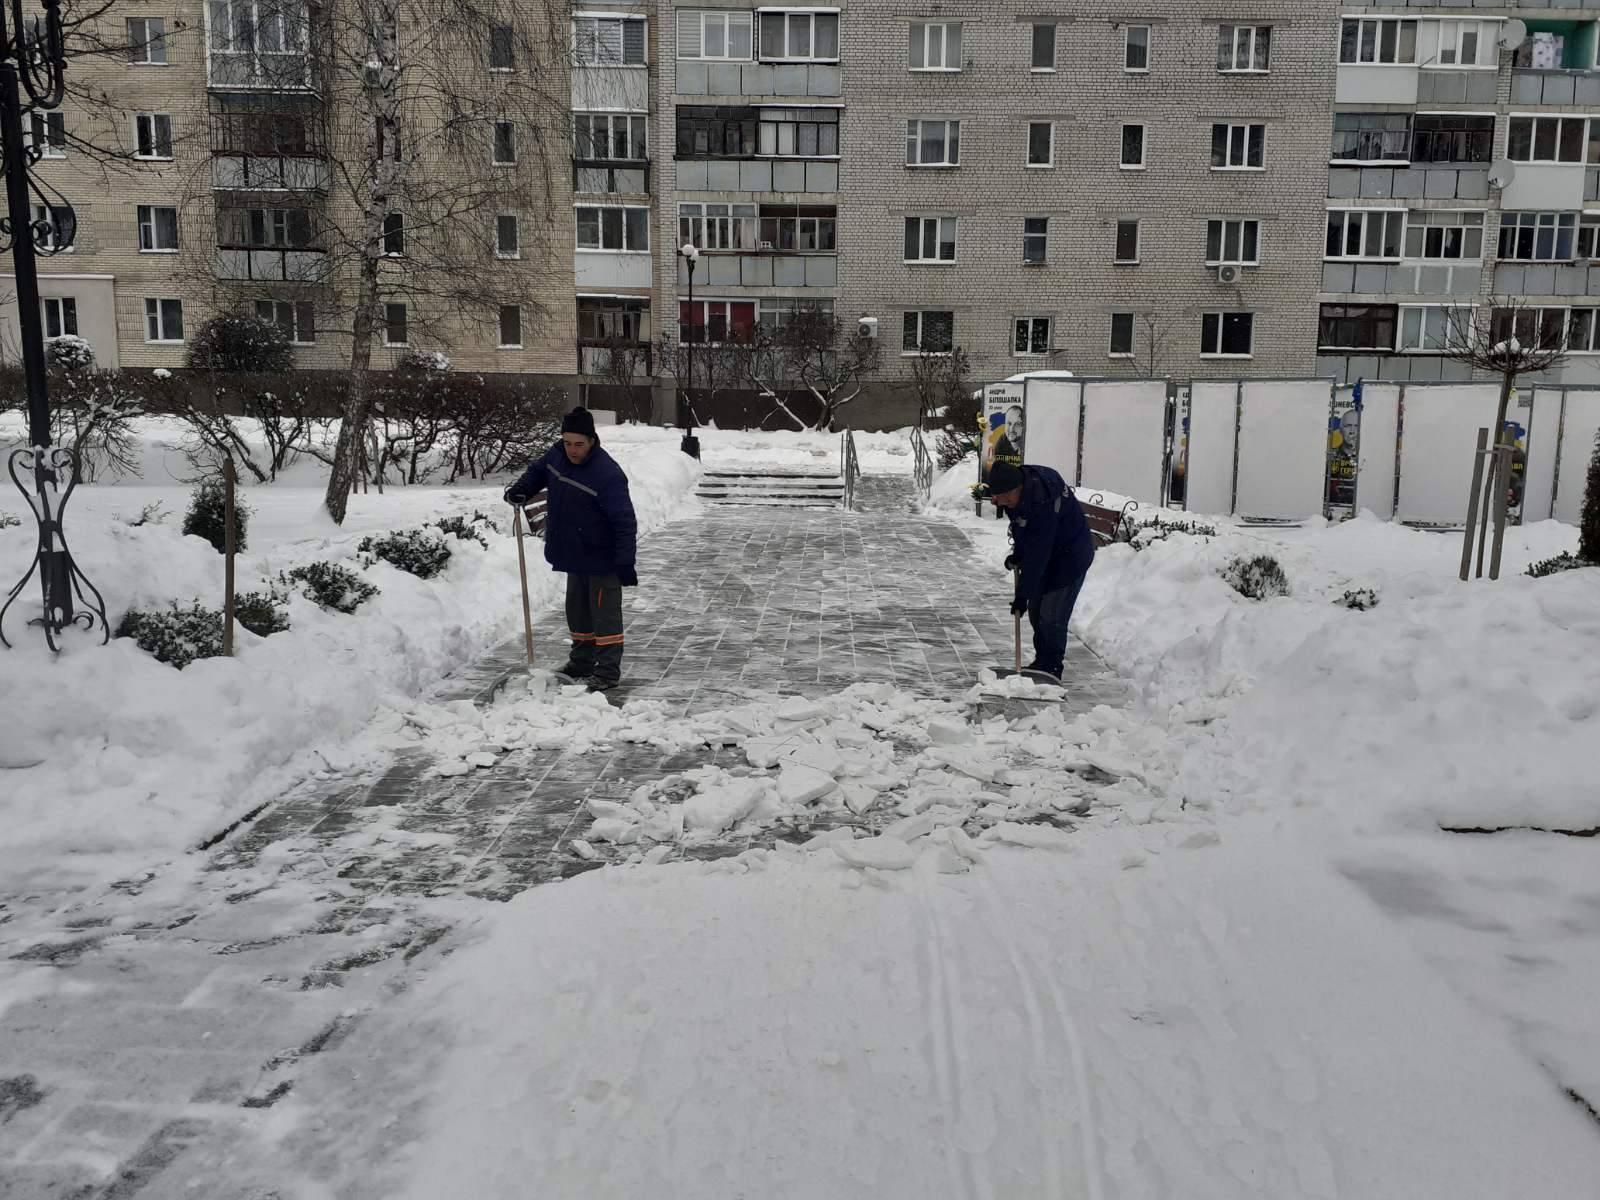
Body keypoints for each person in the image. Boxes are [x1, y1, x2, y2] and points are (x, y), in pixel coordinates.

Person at [504, 407, 638, 692]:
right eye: (567, 442)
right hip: (574, 553)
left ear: (592, 440)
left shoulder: (607, 474)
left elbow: (624, 521)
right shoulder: (556, 456)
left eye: (579, 444)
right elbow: (538, 471)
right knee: (577, 613)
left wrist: (625, 563)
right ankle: (581, 663)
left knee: (605, 618)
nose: (572, 450)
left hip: (602, 557)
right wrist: (521, 490)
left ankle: (607, 672)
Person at [985, 460, 1094, 684]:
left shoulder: (1044, 499)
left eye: (1004, 497)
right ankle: (1042, 663)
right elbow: (1022, 526)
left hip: (1070, 557)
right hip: (1049, 553)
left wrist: (1022, 596)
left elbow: (1040, 551)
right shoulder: (1017, 493)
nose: (999, 502)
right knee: (1036, 612)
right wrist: (1019, 553)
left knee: (1052, 616)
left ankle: (1052, 668)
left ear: (1017, 489)